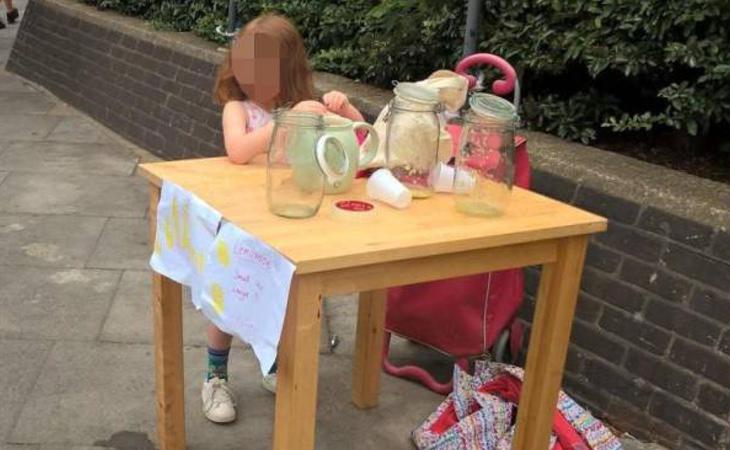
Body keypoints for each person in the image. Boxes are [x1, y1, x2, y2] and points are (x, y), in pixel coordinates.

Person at [207, 13, 366, 424]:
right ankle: (215, 375)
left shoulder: (301, 108)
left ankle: (273, 365)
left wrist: (344, 107)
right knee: (227, 298)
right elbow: (238, 150)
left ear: (288, 70)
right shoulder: (237, 108)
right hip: (242, 222)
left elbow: (360, 142)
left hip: (290, 219)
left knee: (281, 296)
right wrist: (288, 120)